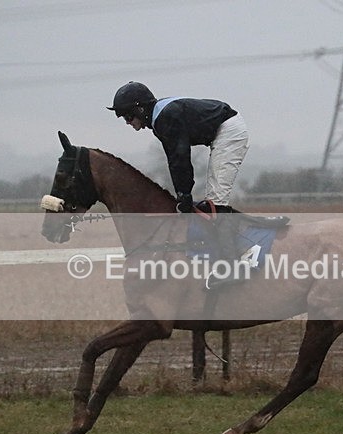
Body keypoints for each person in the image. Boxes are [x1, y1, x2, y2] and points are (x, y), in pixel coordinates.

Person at [107, 81, 250, 288]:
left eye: (128, 116)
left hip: (229, 132)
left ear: (140, 108)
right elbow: (175, 160)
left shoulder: (166, 117)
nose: (127, 122)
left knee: (216, 203)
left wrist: (183, 194)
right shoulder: (160, 117)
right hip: (223, 130)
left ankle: (233, 267)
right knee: (210, 203)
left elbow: (181, 158)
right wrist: (183, 194)